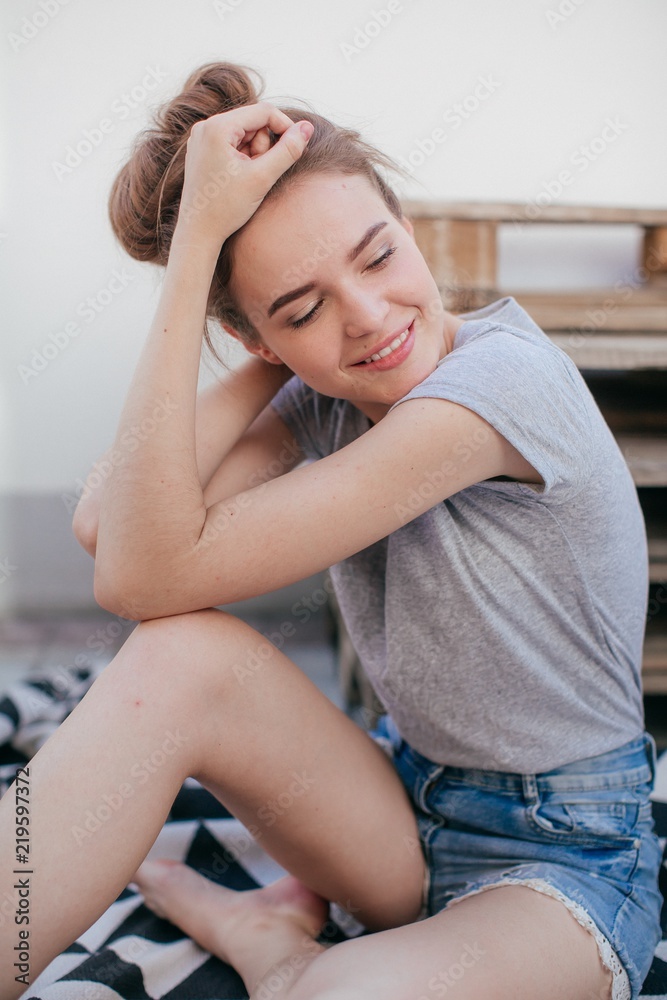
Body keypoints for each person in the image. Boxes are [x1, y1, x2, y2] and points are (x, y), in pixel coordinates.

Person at [0, 60, 662, 1000]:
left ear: (407, 229)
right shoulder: (326, 393)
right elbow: (112, 531)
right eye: (304, 309)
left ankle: (277, 948)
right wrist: (199, 262)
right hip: (399, 810)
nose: (369, 319)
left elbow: (137, 576)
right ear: (266, 343)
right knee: (174, 655)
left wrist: (289, 318)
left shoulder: (494, 387)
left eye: (379, 254)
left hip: (566, 858)